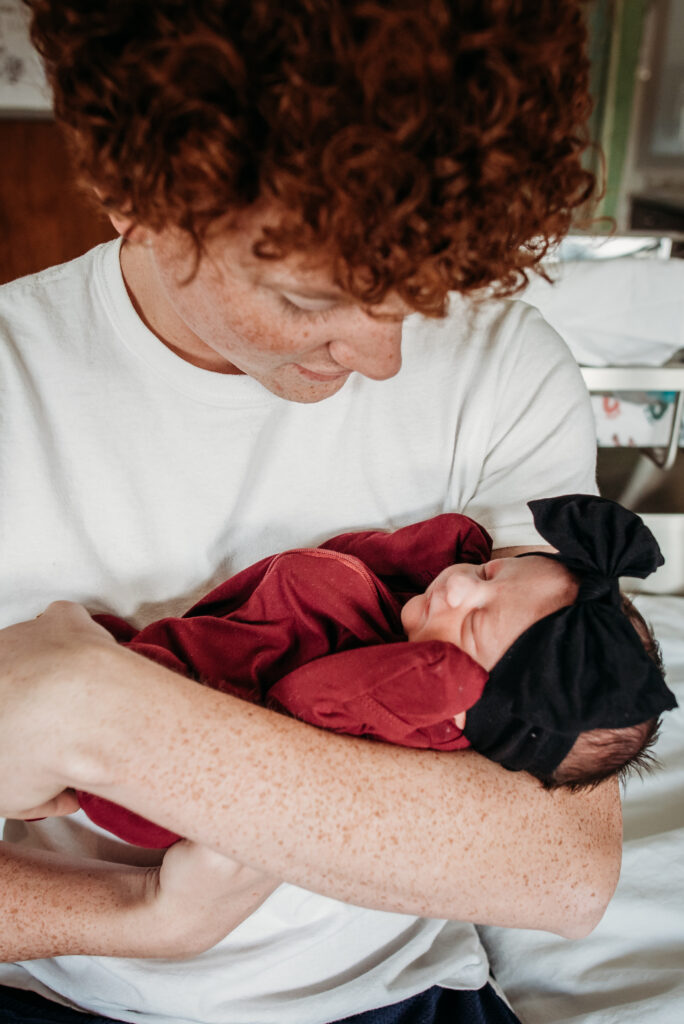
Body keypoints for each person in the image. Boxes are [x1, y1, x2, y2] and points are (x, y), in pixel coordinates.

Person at [0, 3, 622, 1023]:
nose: (381, 358)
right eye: (305, 296)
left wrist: (89, 709)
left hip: (401, 1001)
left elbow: (558, 861)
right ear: (129, 193)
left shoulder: (503, 371)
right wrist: (138, 916)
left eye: (420, 289)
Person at [75, 495, 676, 850]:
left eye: (472, 626)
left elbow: (302, 701)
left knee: (91, 692)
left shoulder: (410, 703)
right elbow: (369, 561)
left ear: (470, 704)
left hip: (174, 767)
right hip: (185, 650)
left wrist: (428, 674)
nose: (459, 587)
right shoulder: (421, 611)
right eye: (490, 577)